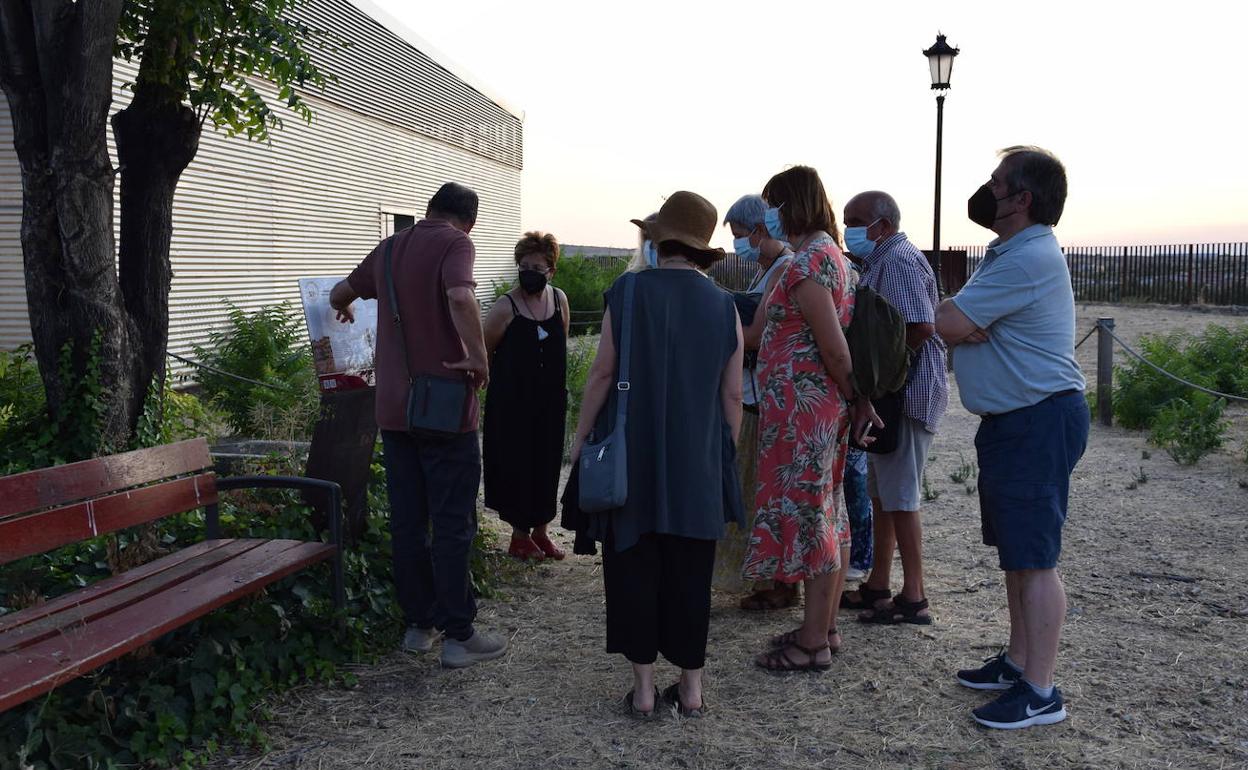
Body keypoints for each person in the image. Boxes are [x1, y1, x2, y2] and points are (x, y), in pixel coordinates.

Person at [570, 190, 744, 718]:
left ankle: (644, 693)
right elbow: (732, 394)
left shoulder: (626, 292)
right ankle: (691, 690)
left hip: (631, 457)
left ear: (658, 239)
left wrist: (580, 440)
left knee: (633, 567)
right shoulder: (724, 305)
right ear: (702, 249)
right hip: (697, 461)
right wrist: (722, 450)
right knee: (692, 573)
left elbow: (602, 372)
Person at [935, 146, 1089, 729]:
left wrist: (966, 321)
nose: (987, 190)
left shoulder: (1026, 258)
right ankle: (1020, 662)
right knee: (1018, 555)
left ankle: (1041, 692)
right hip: (1019, 420)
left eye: (997, 183)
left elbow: (948, 322)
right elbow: (959, 322)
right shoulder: (1013, 253)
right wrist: (967, 321)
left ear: (1022, 198)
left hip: (1037, 418)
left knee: (1037, 557)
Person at [329, 182, 508, 669]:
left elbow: (340, 292)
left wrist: (344, 305)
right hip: (446, 407)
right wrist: (477, 356)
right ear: (468, 221)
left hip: (393, 409)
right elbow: (459, 297)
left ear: (429, 209)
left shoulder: (389, 248)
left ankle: (417, 627)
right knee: (452, 522)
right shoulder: (456, 243)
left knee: (409, 521)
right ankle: (459, 635)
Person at [742, 166, 879, 671]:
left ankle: (814, 643)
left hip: (806, 413)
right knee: (829, 515)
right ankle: (823, 627)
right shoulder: (830, 256)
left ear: (790, 204)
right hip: (812, 410)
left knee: (813, 518)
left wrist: (858, 398)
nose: (768, 217)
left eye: (771, 206)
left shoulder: (808, 263)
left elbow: (834, 348)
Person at [839, 191, 948, 625]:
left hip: (905, 393)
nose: (849, 228)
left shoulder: (897, 260)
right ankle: (878, 584)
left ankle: (914, 596)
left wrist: (883, 371)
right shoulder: (882, 259)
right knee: (883, 494)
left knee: (901, 496)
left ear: (882, 225)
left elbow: (920, 326)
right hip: (894, 392)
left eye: (856, 220)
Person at [710, 193, 798, 609]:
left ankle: (774, 584)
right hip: (756, 394)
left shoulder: (783, 269)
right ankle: (768, 581)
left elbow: (761, 335)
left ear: (761, 231)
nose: (738, 244)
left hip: (762, 398)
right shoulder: (768, 270)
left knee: (762, 496)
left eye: (741, 235)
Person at [482, 231, 571, 561]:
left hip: (550, 402)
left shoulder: (559, 299)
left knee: (547, 465)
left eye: (537, 266)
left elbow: (561, 339)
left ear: (551, 270)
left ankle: (542, 533)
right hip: (512, 404)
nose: (529, 271)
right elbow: (483, 348)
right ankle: (518, 537)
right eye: (524, 265)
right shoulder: (506, 306)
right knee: (517, 465)